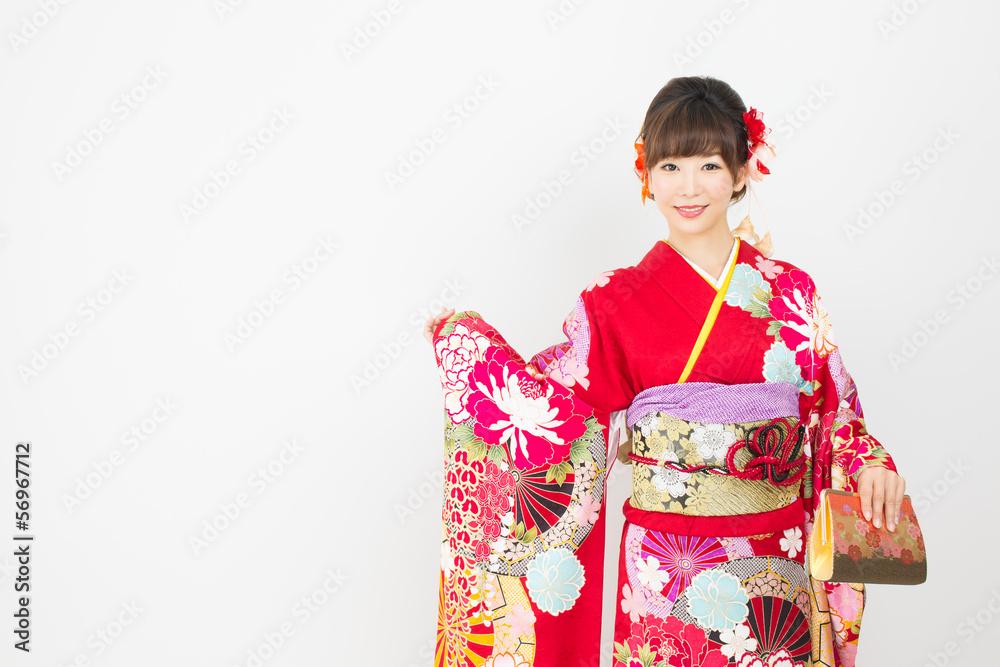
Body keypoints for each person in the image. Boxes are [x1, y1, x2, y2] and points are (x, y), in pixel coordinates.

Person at [425, 75, 905, 667]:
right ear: (646, 173)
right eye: (671, 166)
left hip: (774, 555)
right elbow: (550, 415)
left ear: (742, 169)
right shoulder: (614, 301)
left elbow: (832, 414)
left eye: (708, 165)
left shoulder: (792, 294)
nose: (689, 187)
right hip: (667, 567)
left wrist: (868, 462)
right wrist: (471, 352)